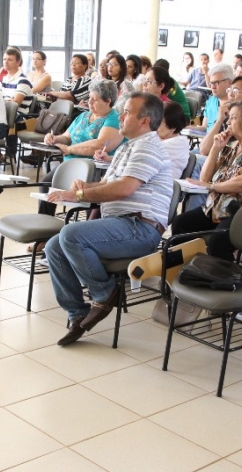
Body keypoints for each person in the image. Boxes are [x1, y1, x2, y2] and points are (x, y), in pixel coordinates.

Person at [44, 93, 173, 346]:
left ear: (144, 120)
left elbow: (124, 189)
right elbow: (106, 184)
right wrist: (83, 186)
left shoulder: (148, 146)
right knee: (53, 247)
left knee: (70, 236)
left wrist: (80, 194)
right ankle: (77, 312)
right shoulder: (128, 145)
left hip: (141, 228)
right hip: (122, 224)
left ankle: (105, 292)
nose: (121, 116)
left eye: (127, 112)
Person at [171, 100, 242, 260]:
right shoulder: (231, 146)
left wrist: (213, 186)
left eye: (233, 118)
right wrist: (216, 148)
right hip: (216, 208)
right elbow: (204, 178)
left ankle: (222, 280)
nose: (228, 122)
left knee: (217, 242)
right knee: (181, 223)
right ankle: (185, 271)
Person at [37, 79, 124, 215]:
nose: (89, 102)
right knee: (46, 183)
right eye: (89, 98)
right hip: (70, 164)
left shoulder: (113, 119)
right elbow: (67, 137)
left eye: (95, 100)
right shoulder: (83, 116)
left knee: (89, 196)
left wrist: (70, 149)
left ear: (108, 101)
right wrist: (54, 138)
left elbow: (100, 145)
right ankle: (45, 224)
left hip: (93, 169)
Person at [157, 101, 191, 178]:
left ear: (173, 127)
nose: (155, 126)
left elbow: (149, 150)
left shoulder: (179, 143)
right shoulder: (159, 137)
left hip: (161, 186)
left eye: (160, 123)